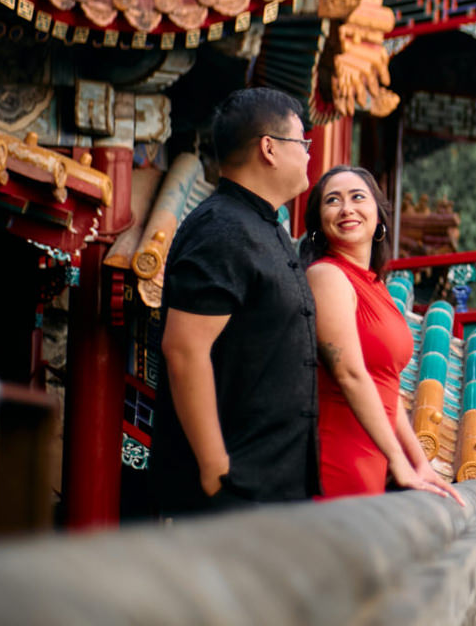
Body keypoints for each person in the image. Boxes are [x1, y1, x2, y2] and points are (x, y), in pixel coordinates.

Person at [151, 88, 319, 515]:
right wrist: (214, 466)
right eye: (302, 142)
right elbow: (184, 348)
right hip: (233, 491)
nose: (307, 155)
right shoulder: (221, 228)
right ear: (269, 148)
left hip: (273, 488)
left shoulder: (265, 226)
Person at [302, 165, 458, 501]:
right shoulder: (327, 276)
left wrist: (419, 462)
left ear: (379, 217)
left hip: (372, 458)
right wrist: (399, 462)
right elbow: (349, 374)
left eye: (358, 197)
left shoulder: (376, 284)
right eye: (333, 201)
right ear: (319, 224)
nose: (346, 208)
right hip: (337, 454)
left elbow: (387, 389)